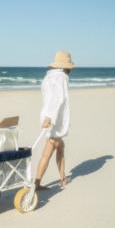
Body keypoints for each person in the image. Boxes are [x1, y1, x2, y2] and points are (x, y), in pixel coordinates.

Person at [35, 51, 74, 191]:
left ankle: (61, 178)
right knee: (49, 151)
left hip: (48, 116)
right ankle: (38, 183)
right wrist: (51, 117)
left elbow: (47, 98)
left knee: (59, 148)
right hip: (54, 119)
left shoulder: (48, 77)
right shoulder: (62, 77)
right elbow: (58, 99)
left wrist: (46, 116)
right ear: (66, 66)